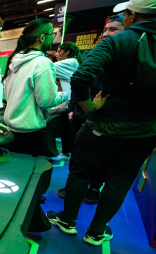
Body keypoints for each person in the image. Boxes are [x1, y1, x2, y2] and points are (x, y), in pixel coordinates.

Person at [47, 0, 156, 246]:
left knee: (80, 173)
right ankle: (96, 231)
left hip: (103, 126)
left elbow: (82, 76)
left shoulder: (118, 41)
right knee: (120, 182)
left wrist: (88, 107)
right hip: (144, 133)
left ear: (131, 15)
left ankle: (67, 220)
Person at [58, 12, 126, 203]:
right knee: (77, 154)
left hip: (106, 119)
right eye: (105, 29)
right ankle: (72, 185)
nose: (106, 34)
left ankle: (95, 188)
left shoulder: (126, 59)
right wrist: (74, 108)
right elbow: (79, 81)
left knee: (102, 158)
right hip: (82, 115)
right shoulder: (98, 53)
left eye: (112, 29)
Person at [2, 18, 69, 156]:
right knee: (28, 171)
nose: (52, 38)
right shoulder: (42, 63)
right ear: (42, 38)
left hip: (12, 127)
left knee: (16, 168)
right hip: (29, 130)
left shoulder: (14, 59)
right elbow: (46, 101)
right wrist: (65, 94)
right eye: (52, 34)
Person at [48, 41, 83, 161]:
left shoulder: (70, 62)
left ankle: (66, 153)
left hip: (69, 102)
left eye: (59, 51)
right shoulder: (72, 62)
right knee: (65, 129)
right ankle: (66, 152)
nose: (56, 54)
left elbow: (48, 68)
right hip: (68, 101)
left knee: (66, 130)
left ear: (67, 52)